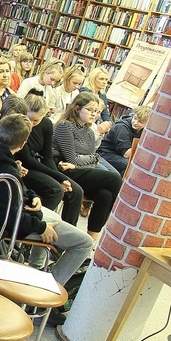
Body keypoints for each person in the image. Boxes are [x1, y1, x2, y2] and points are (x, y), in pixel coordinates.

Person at [0, 114, 93, 287]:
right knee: (85, 243)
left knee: (55, 220)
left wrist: (33, 196)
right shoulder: (7, 172)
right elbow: (9, 218)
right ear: (22, 144)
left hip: (10, 213)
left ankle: (37, 268)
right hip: (9, 224)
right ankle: (49, 288)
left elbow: (18, 191)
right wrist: (40, 227)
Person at [52, 92, 123, 240]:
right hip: (63, 171)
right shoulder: (65, 126)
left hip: (79, 171)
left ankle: (91, 240)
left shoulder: (90, 132)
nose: (95, 114)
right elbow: (73, 159)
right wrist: (90, 159)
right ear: (77, 108)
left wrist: (89, 159)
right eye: (90, 110)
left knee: (106, 194)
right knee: (115, 178)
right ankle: (120, 220)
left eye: (97, 111)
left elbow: (90, 160)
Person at [15, 92, 83, 226]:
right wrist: (58, 177)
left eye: (36, 121)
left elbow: (47, 155)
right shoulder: (19, 123)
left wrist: (59, 177)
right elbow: (28, 159)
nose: (31, 123)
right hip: (24, 167)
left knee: (76, 191)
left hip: (38, 164)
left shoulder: (46, 124)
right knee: (55, 189)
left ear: (43, 116)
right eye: (29, 119)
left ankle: (67, 231)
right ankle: (34, 224)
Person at [98, 105, 151, 175]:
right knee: (129, 166)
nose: (135, 122)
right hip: (106, 153)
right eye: (135, 118)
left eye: (140, 122)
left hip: (119, 154)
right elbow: (126, 154)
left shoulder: (144, 131)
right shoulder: (122, 127)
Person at [79, 66, 113, 135]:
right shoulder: (85, 91)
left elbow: (105, 115)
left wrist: (111, 125)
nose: (104, 82)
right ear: (93, 79)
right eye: (101, 79)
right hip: (87, 122)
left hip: (98, 122)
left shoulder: (103, 96)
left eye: (106, 80)